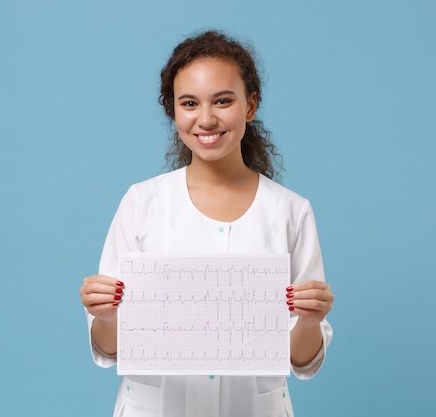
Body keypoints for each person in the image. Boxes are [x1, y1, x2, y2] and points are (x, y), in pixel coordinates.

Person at [79, 30, 334, 417]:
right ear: (174, 112)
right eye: (189, 103)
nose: (206, 118)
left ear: (250, 106)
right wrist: (106, 315)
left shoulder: (290, 211)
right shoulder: (141, 203)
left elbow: (303, 361)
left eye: (223, 100)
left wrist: (311, 322)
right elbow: (109, 349)